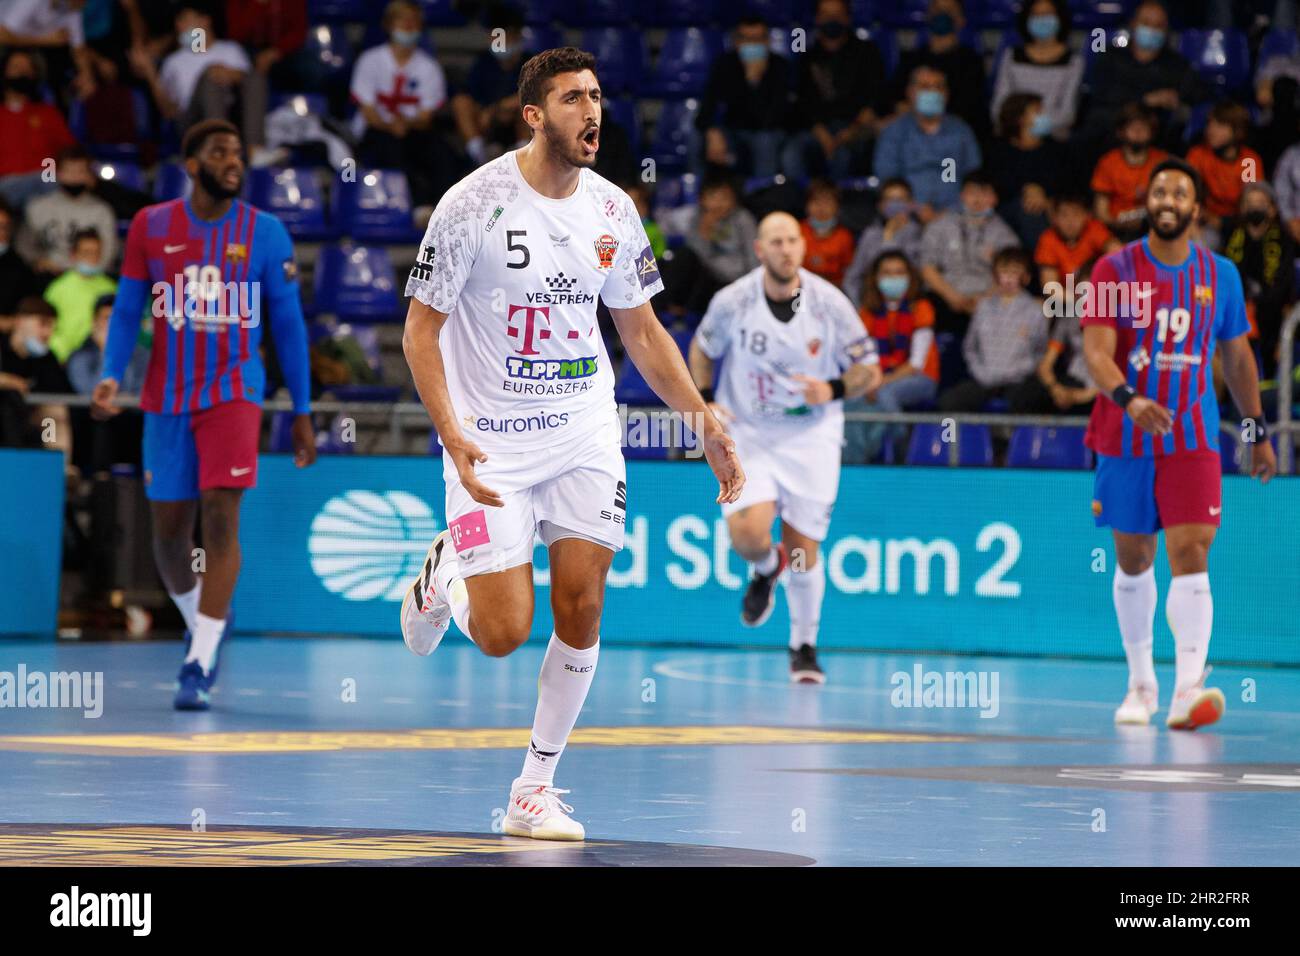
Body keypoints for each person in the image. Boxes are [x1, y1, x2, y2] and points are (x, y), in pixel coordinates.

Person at [399, 47, 743, 841]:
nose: (591, 113)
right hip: (489, 443)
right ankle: (444, 571)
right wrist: (450, 432)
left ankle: (534, 789)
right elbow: (421, 331)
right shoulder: (471, 203)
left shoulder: (614, 210)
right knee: (502, 633)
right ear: (533, 115)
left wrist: (703, 421)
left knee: (584, 603)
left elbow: (643, 330)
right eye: (571, 100)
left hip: (583, 428)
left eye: (596, 96)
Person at [91, 119, 317, 711]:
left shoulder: (266, 234)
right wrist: (112, 373)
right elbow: (127, 310)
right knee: (168, 534)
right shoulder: (151, 225)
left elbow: (289, 326)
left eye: (239, 153)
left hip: (234, 393)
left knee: (219, 518)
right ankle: (205, 619)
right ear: (191, 165)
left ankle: (200, 658)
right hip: (165, 398)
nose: (234, 161)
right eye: (220, 153)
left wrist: (301, 407)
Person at [1081, 157, 1276, 730]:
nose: (1168, 199)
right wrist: (1128, 399)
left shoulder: (1220, 275)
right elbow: (1095, 351)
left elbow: (1237, 356)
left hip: (1192, 436)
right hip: (1124, 432)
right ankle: (1140, 682)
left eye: (1180, 192)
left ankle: (1188, 688)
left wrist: (1255, 430)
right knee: (1135, 558)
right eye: (1159, 190)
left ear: (1196, 208)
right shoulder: (1112, 269)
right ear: (1148, 203)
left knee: (1192, 551)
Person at [688, 212, 880, 683]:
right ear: (759, 249)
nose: (786, 249)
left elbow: (869, 368)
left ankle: (804, 646)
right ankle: (765, 568)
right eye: (776, 241)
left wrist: (832, 389)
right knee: (748, 537)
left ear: (802, 245)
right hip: (749, 432)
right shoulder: (733, 301)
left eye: (793, 240)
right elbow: (701, 351)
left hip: (811, 435)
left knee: (803, 549)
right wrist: (708, 402)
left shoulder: (829, 303)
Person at [350, 1, 458, 208]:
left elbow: (426, 117)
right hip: (376, 130)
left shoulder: (429, 67)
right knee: (391, 150)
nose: (409, 26)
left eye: (414, 21)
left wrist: (405, 124)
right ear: (389, 25)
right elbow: (369, 112)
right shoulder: (370, 60)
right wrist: (391, 126)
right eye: (403, 20)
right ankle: (414, 207)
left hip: (414, 129)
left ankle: (443, 210)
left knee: (442, 153)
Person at [130, 5, 271, 162]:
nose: (179, 26)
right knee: (209, 79)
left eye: (185, 20)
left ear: (205, 21)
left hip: (233, 116)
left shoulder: (231, 50)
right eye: (177, 22)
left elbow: (251, 84)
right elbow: (168, 112)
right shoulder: (174, 61)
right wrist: (150, 73)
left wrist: (232, 75)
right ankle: (219, 151)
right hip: (191, 122)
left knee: (254, 76)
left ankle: (255, 151)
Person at [844, 251, 939, 463]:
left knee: (885, 395)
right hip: (877, 379)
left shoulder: (921, 308)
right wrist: (865, 384)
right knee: (852, 404)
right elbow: (860, 359)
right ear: (876, 279)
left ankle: (901, 450)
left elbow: (915, 364)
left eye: (899, 273)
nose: (893, 278)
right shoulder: (867, 314)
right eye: (887, 273)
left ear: (909, 277)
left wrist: (878, 383)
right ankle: (856, 460)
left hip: (920, 379)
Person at [782, 0, 887, 180]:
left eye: (837, 14)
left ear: (847, 19)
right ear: (817, 19)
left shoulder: (867, 52)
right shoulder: (808, 57)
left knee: (842, 155)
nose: (832, 19)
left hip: (855, 128)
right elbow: (802, 104)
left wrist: (851, 131)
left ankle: (835, 204)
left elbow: (876, 97)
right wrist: (821, 133)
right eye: (826, 14)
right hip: (818, 130)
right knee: (791, 152)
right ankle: (800, 204)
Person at [938, 246, 1047, 411]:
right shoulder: (983, 307)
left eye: (1014, 272)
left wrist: (1021, 370)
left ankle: (1009, 437)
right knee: (949, 402)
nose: (1009, 279)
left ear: (1025, 276)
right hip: (984, 378)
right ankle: (959, 438)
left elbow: (1040, 350)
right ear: (996, 276)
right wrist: (980, 372)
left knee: (1029, 399)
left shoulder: (1035, 310)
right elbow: (970, 347)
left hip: (1019, 380)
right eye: (1004, 272)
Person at [918, 169, 1020, 332]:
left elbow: (1012, 273)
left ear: (995, 198)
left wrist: (983, 300)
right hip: (945, 298)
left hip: (989, 300)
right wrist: (952, 297)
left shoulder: (1006, 235)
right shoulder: (939, 226)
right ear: (962, 195)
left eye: (984, 193)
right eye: (972, 193)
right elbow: (927, 268)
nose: (977, 200)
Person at [874, 65, 982, 218]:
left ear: (946, 94)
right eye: (925, 87)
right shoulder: (894, 133)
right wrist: (916, 209)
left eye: (938, 87)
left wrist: (950, 212)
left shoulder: (961, 131)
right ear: (910, 92)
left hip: (955, 215)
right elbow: (887, 180)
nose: (932, 92)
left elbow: (974, 177)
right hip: (906, 215)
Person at [695, 14, 792, 178]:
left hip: (767, 133)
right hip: (732, 131)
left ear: (767, 42)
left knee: (764, 141)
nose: (753, 44)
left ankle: (762, 195)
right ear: (737, 42)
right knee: (697, 138)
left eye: (758, 39)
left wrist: (754, 82)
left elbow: (770, 120)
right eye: (747, 39)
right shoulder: (724, 65)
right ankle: (701, 194)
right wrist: (712, 131)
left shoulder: (780, 67)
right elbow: (706, 110)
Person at [1220, 182, 1296, 379]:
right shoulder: (1231, 236)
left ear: (1272, 209)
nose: (1255, 207)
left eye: (1261, 202)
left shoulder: (1284, 240)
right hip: (1238, 314)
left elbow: (1284, 288)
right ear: (1242, 208)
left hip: (1274, 316)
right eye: (1249, 202)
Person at [890, 0, 991, 144]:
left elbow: (969, 108)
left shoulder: (971, 61)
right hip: (911, 133)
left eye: (949, 10)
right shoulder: (912, 58)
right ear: (927, 16)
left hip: (954, 137)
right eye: (937, 9)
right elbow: (893, 98)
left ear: (961, 20)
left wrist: (922, 111)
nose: (942, 14)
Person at [658, 175, 759, 316]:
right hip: (706, 280)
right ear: (702, 199)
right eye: (713, 197)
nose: (718, 203)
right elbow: (693, 260)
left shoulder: (743, 219)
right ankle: (662, 308)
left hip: (735, 282)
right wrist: (704, 233)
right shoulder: (698, 219)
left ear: (733, 199)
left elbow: (754, 256)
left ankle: (680, 312)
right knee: (679, 256)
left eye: (724, 197)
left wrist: (754, 288)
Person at [989, 0, 1083, 143]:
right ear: (1027, 19)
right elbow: (999, 104)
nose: (1042, 18)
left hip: (1054, 138)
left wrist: (1038, 125)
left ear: (1060, 18)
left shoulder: (1074, 61)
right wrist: (1020, 126)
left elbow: (1068, 112)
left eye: (1047, 14)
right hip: (1014, 135)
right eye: (1036, 14)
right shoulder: (1011, 55)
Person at [17, 146, 119, 278]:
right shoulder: (37, 207)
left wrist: (84, 270)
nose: (74, 177)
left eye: (80, 171)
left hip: (89, 276)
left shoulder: (102, 211)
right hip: (47, 276)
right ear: (58, 173)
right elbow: (24, 246)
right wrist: (38, 261)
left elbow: (108, 254)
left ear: (89, 176)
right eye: (69, 171)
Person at [0, 50, 77, 209]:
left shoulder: (48, 113)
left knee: (52, 181)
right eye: (16, 67)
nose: (22, 72)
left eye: (27, 69)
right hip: (6, 185)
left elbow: (69, 149)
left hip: (45, 181)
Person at [0, 297, 73, 460]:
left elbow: (53, 396)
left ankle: (59, 466)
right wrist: (8, 381)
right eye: (43, 324)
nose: (48, 333)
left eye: (53, 327)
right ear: (19, 322)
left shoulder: (47, 358)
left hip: (28, 418)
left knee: (53, 417)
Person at [1091, 103, 1168, 242]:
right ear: (1121, 131)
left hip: (1153, 228)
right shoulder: (1108, 162)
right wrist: (1118, 224)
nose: (1138, 132)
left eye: (1143, 128)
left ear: (1152, 132)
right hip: (1115, 230)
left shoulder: (1162, 162)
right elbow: (1101, 212)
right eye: (1133, 128)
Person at [1185, 100, 1264, 235]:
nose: (1211, 131)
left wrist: (1224, 223)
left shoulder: (1248, 161)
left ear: (1238, 131)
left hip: (1240, 224)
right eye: (1210, 124)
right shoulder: (1198, 155)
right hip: (1207, 221)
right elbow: (1186, 191)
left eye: (1220, 125)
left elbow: (1252, 202)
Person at [842, 178, 924, 308]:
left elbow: (913, 275)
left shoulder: (920, 233)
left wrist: (890, 238)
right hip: (872, 306)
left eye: (901, 199)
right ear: (881, 205)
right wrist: (859, 310)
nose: (896, 205)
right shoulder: (870, 234)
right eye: (890, 199)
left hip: (909, 309)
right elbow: (852, 279)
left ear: (911, 204)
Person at [44, 228, 118, 362]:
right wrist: (61, 353)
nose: (92, 257)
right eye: (86, 252)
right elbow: (47, 324)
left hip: (101, 357)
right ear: (73, 255)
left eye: (96, 252)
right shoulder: (57, 288)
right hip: (63, 358)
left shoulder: (111, 288)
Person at [1034, 192, 1119, 289]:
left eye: (1076, 214)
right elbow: (1051, 288)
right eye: (1064, 215)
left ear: (1086, 216)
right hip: (1067, 300)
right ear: (1055, 218)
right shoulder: (1048, 239)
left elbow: (1118, 253)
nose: (1070, 221)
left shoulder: (1094, 228)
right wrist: (1082, 299)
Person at [800, 179, 855, 288]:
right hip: (799, 288)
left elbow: (848, 273)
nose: (821, 208)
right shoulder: (796, 231)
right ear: (807, 206)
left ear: (837, 207)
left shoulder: (844, 237)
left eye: (827, 202)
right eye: (816, 201)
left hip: (835, 290)